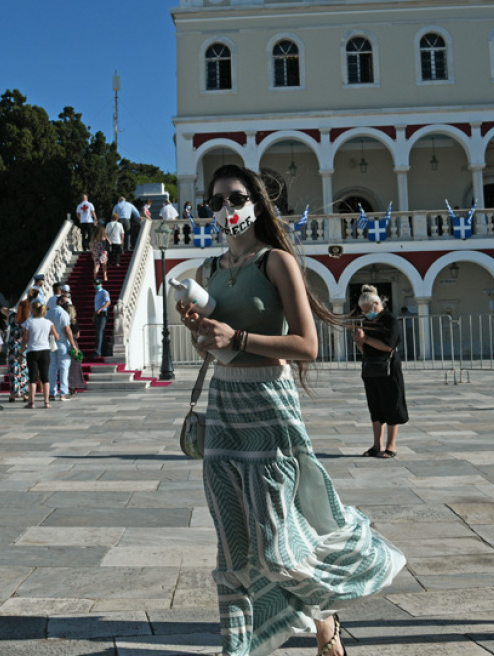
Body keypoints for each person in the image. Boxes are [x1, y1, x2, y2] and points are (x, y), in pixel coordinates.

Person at [178, 164, 405, 656]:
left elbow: (307, 344)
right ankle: (240, 644)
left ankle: (326, 618)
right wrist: (203, 331)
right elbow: (213, 351)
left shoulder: (275, 262)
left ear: (256, 204)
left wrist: (235, 336)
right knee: (234, 539)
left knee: (278, 542)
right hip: (225, 404)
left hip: (269, 404)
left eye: (235, 198)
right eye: (214, 202)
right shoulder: (208, 272)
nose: (226, 209)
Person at [353, 285, 408, 458]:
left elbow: (388, 346)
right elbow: (366, 349)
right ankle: (377, 445)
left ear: (376, 304)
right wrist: (359, 342)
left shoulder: (390, 320)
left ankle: (391, 445)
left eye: (368, 310)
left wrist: (366, 339)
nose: (366, 314)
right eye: (363, 311)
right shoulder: (368, 322)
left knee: (391, 404)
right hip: (371, 367)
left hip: (389, 367)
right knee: (375, 406)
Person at [21, 301, 57, 408]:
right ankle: (46, 402)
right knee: (45, 377)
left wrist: (21, 351)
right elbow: (56, 335)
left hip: (32, 350)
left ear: (34, 310)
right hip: (45, 350)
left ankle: (31, 402)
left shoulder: (28, 322)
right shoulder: (48, 322)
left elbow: (25, 339)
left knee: (32, 377)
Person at [47, 296, 78, 401]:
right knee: (64, 368)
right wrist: (73, 345)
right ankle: (63, 393)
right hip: (62, 342)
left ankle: (52, 392)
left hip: (51, 343)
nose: (67, 304)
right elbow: (67, 330)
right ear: (60, 302)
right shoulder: (63, 313)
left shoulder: (49, 312)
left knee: (52, 368)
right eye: (66, 302)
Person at [7, 293, 33, 402]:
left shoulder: (13, 317)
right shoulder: (28, 319)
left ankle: (13, 393)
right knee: (24, 369)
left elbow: (4, 311)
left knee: (14, 369)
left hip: (13, 346)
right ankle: (24, 393)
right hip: (25, 346)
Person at [94, 279, 111, 357]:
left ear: (101, 284)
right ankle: (103, 350)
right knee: (101, 332)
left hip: (103, 313)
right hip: (97, 314)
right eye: (95, 284)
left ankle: (98, 351)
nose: (96, 285)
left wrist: (101, 308)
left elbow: (108, 302)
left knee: (100, 332)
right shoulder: (97, 293)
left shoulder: (104, 292)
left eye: (98, 284)